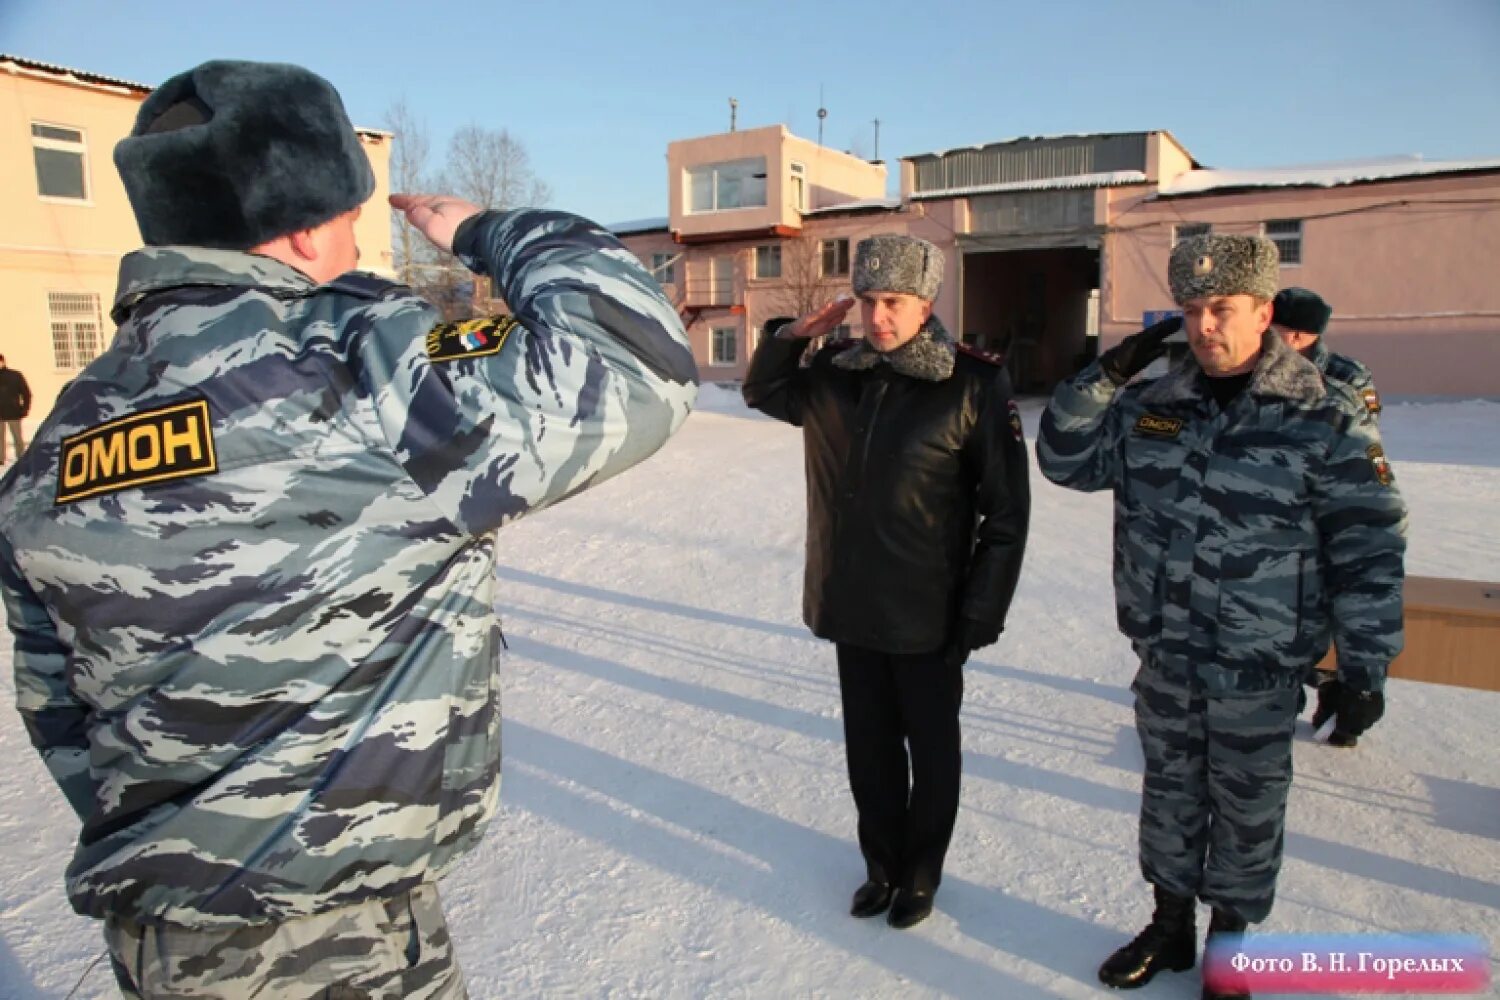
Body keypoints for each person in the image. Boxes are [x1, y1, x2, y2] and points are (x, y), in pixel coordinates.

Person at [0, 60, 696, 999]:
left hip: (167, 943)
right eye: (348, 211)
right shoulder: (359, 366)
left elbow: (58, 710)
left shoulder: (58, 439)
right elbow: (634, 358)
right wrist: (492, 230)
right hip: (332, 941)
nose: (359, 235)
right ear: (301, 224)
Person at [1037, 234, 1405, 999]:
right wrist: (1106, 373)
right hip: (1166, 651)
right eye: (1192, 310)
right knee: (1169, 795)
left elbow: (1367, 545)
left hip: (1258, 662)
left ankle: (1229, 948)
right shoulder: (1153, 404)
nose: (1205, 326)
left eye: (1223, 309)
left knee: (1246, 809)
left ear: (1265, 310)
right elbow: (1066, 460)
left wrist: (1364, 666)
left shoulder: (1320, 414)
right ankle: (1170, 927)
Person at [742, 234, 1030, 930]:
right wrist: (788, 337)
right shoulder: (836, 372)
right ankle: (881, 865)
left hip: (930, 612)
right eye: (867, 301)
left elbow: (1007, 512)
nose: (877, 316)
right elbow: (763, 391)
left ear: (926, 302)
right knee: (869, 750)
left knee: (930, 751)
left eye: (892, 302)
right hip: (851, 601)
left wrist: (981, 610)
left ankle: (921, 874)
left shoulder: (971, 382)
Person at [1271, 286, 1386, 746]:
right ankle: (1285, 701)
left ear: (1299, 335)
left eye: (1275, 330)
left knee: (1337, 609)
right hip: (1280, 519)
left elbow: (1364, 444)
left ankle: (1346, 694)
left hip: (1332, 512)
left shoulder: (1346, 377)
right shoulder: (1260, 371)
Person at [0, 355, 30, 464]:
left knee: (17, 437)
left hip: (13, 411)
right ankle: (1, 459)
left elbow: (26, 393)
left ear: (2, 362)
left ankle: (21, 457)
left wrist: (25, 408)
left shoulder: (15, 375)